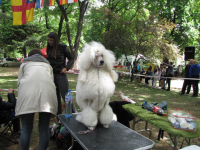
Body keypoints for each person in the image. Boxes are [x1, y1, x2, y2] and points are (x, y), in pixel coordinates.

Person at [15, 49, 58, 150]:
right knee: (44, 129)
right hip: (47, 94)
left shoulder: (24, 64)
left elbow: (19, 83)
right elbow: (51, 81)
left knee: (26, 128)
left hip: (27, 93)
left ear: (29, 56)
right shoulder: (48, 66)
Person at [46, 32, 76, 115]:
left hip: (61, 75)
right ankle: (59, 116)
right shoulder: (49, 48)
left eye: (51, 40)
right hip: (52, 75)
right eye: (48, 40)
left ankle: (74, 114)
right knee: (56, 98)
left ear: (55, 40)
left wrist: (66, 68)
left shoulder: (63, 47)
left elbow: (71, 58)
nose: (49, 42)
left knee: (66, 96)